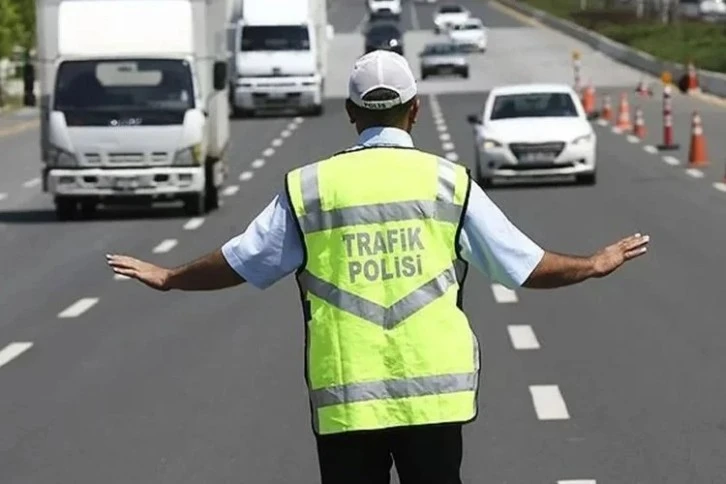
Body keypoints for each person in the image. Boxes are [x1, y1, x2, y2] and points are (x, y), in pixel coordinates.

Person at [106, 50, 650, 484]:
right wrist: (595, 263)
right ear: (414, 111)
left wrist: (170, 277)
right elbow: (524, 266)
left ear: (350, 114)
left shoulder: (312, 188)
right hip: (435, 400)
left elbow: (244, 261)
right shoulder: (448, 182)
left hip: (348, 400)